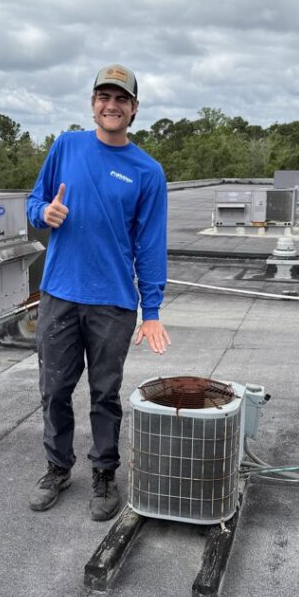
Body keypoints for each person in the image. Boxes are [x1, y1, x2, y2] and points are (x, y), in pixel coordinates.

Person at [26, 64, 171, 521]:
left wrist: (152, 310)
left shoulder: (148, 171)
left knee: (105, 393)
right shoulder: (66, 146)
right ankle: (57, 467)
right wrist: (42, 213)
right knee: (54, 388)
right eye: (104, 97)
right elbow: (33, 202)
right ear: (93, 104)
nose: (112, 106)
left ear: (133, 109)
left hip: (112, 303)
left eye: (121, 99)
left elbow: (149, 246)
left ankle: (104, 472)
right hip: (59, 295)